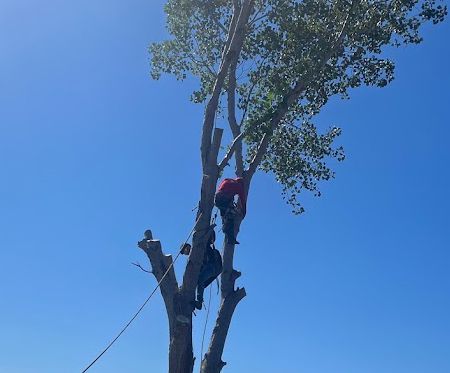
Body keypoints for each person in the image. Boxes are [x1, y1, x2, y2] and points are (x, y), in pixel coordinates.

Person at [194, 229, 223, 310]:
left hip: (213, 267)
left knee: (200, 280)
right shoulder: (204, 248)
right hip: (213, 268)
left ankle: (199, 302)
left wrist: (209, 232)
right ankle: (196, 301)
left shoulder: (206, 247)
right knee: (199, 282)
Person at [214, 177, 247, 244]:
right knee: (230, 217)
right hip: (224, 199)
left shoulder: (227, 180)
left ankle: (224, 224)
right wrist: (244, 212)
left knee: (224, 213)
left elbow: (221, 188)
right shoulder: (239, 186)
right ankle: (230, 238)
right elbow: (243, 200)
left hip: (217, 199)